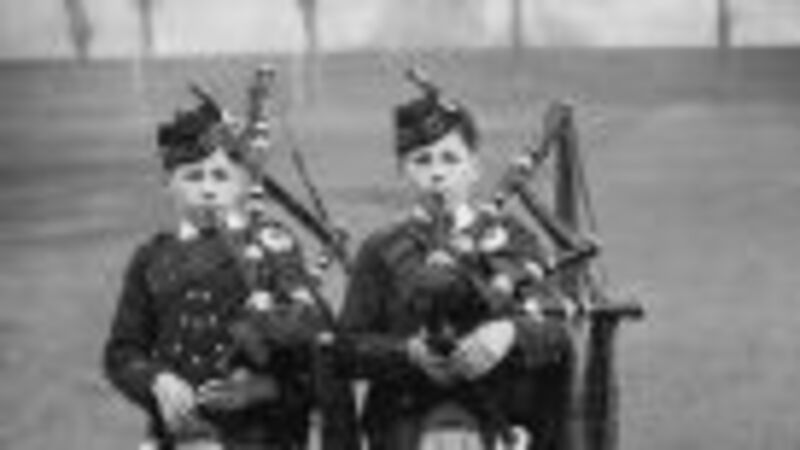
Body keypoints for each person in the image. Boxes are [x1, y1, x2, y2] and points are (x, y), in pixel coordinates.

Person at [103, 91, 355, 449]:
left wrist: (261, 389)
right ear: (167, 183)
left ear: (242, 183)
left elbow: (317, 357)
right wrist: (157, 380)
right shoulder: (150, 258)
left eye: (220, 176)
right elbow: (122, 352)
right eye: (193, 177)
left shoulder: (273, 248)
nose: (208, 189)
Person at [339, 82, 574, 450]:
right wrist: (408, 353)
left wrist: (509, 334)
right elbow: (348, 348)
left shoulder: (514, 238)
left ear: (474, 168)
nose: (437, 174)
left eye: (450, 159)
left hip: (502, 423)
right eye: (421, 160)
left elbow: (557, 328)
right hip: (405, 426)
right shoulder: (380, 249)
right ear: (403, 170)